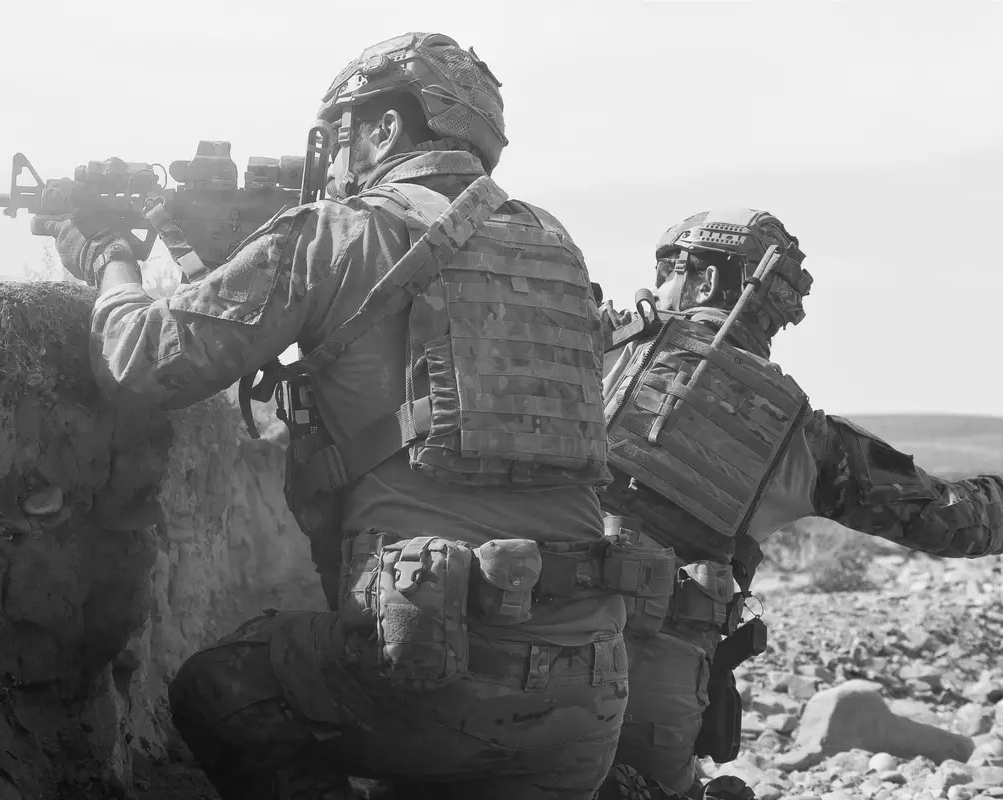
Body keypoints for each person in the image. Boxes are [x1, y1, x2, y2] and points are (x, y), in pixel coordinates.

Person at [34, 32, 643, 800]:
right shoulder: (557, 249)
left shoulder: (340, 233)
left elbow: (139, 358)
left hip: (436, 680)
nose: (335, 160)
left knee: (218, 689)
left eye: (345, 135)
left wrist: (110, 260)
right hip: (586, 706)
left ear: (387, 130)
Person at [591, 208, 1003, 800]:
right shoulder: (800, 441)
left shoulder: (581, 351)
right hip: (644, 704)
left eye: (668, 269)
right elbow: (952, 519)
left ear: (701, 281)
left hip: (490, 638)